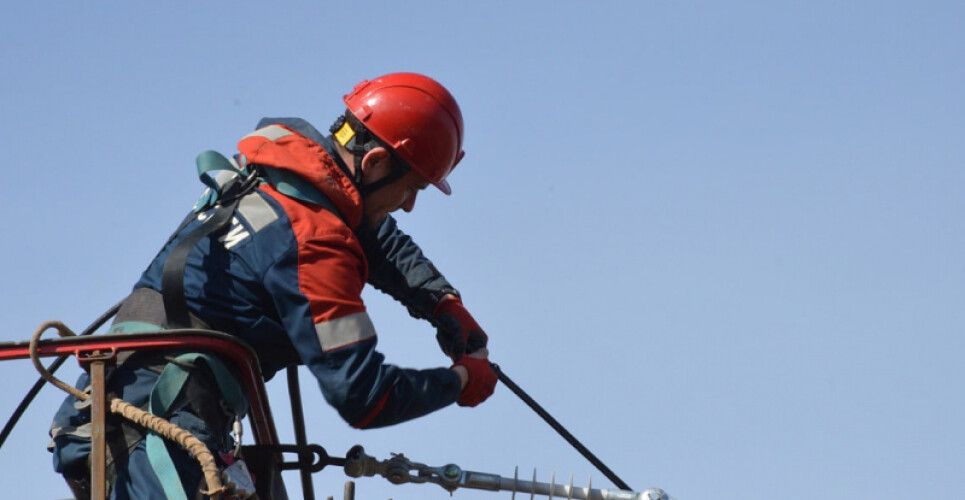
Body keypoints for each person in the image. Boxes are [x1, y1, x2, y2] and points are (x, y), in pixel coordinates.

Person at [48, 72, 498, 499]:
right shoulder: (316, 243)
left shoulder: (276, 173)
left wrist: (442, 302)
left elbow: (371, 230)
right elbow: (365, 396)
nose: (411, 205)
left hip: (132, 415)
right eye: (412, 187)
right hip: (153, 436)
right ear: (377, 162)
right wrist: (460, 381)